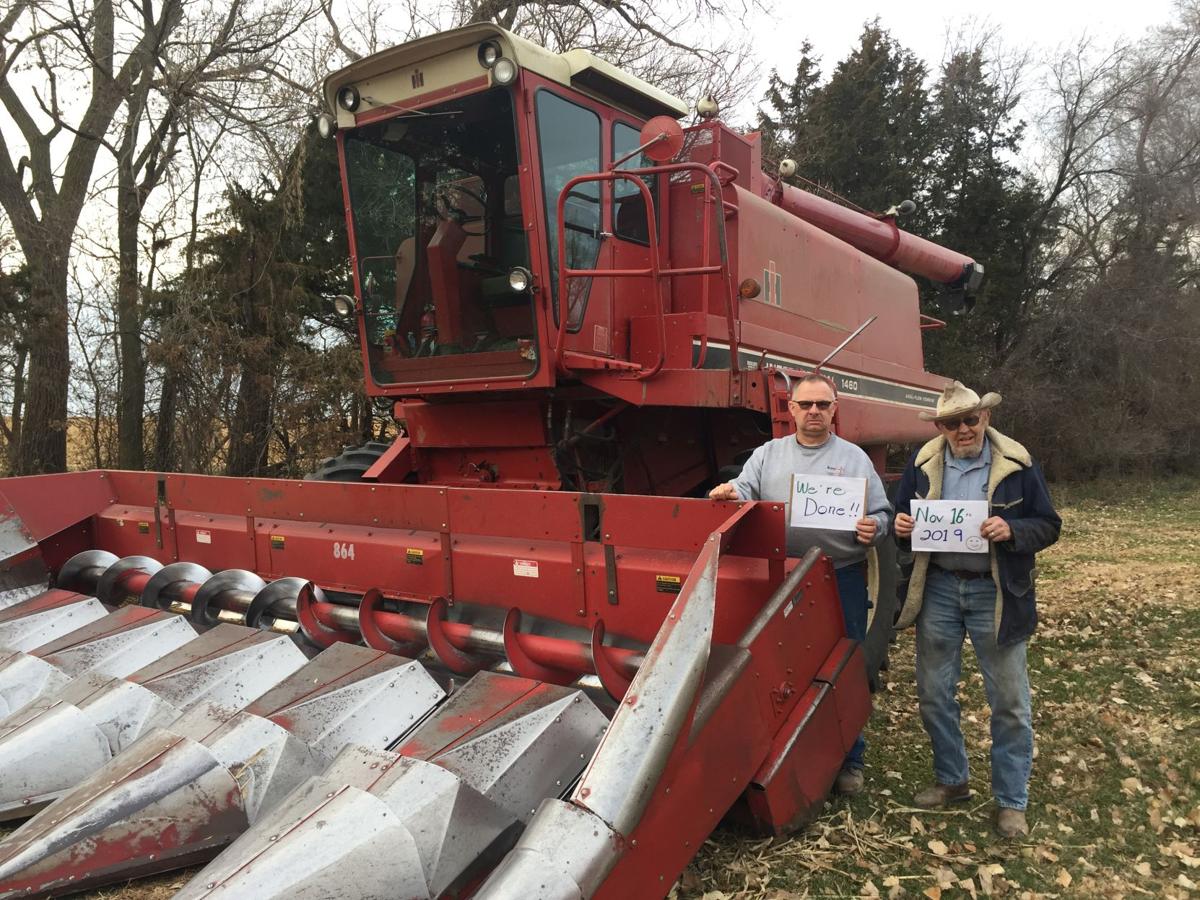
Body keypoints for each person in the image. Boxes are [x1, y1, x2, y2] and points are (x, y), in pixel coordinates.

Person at [709, 373, 893, 795]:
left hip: (840, 573)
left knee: (845, 664)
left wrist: (875, 527)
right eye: (806, 405)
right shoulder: (768, 455)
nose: (814, 412)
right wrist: (729, 492)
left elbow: (883, 513)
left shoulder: (854, 459)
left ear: (834, 410)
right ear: (790, 409)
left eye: (823, 405)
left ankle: (851, 759)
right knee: (781, 663)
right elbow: (744, 487)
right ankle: (789, 747)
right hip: (781, 575)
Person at [892, 381, 1061, 839]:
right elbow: (898, 518)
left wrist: (1012, 529)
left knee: (1008, 701)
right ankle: (953, 780)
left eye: (970, 419)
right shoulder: (924, 463)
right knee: (933, 693)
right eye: (952, 422)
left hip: (997, 593)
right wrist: (900, 524)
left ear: (985, 418)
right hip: (940, 590)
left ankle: (1011, 801)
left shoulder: (1018, 465)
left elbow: (1048, 524)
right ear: (942, 427)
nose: (963, 429)